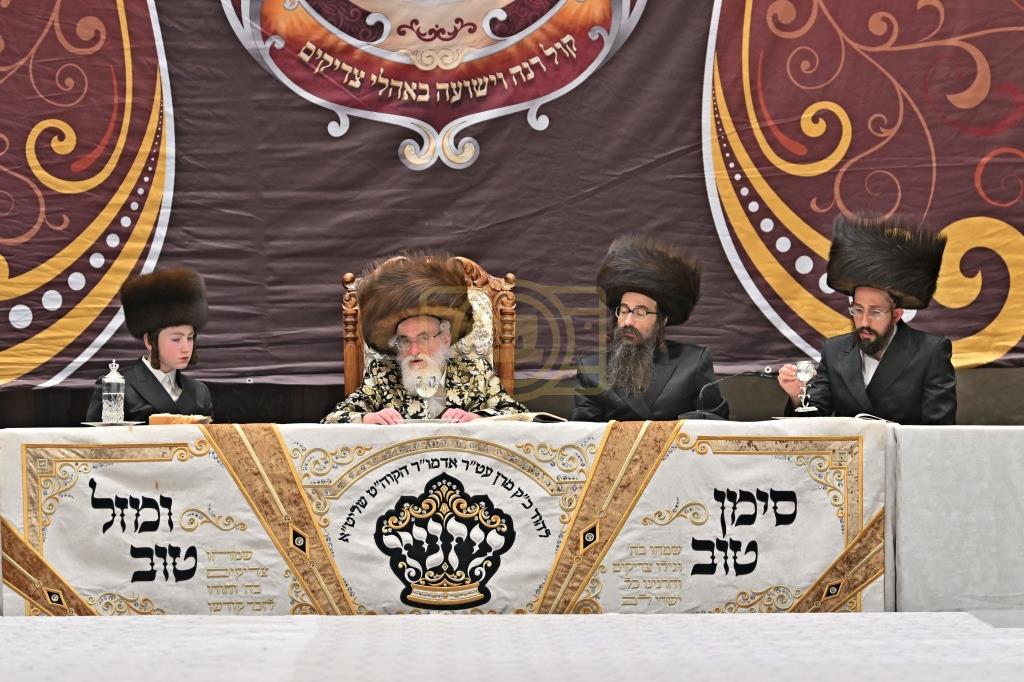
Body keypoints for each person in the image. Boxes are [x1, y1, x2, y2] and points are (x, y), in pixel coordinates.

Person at [778, 213, 956, 424]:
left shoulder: (930, 352)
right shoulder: (834, 351)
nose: (864, 322)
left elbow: (939, 431)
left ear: (896, 314)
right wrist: (797, 396)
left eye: (875, 312)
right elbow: (814, 423)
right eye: (858, 310)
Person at [322, 253, 526, 424]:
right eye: (404, 340)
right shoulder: (382, 376)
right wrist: (368, 418)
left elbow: (518, 415)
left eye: (423, 338)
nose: (413, 351)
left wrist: (477, 418)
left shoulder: (475, 372)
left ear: (445, 339)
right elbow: (331, 420)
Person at [573, 235, 728, 421]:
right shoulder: (591, 370)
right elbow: (583, 433)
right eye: (624, 311)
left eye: (640, 313)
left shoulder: (694, 362)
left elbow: (716, 425)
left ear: (662, 320)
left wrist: (667, 430)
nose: (628, 321)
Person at [86, 267, 213, 422]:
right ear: (149, 341)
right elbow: (98, 437)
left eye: (190, 338)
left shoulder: (200, 392)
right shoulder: (117, 386)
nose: (186, 348)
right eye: (176, 339)